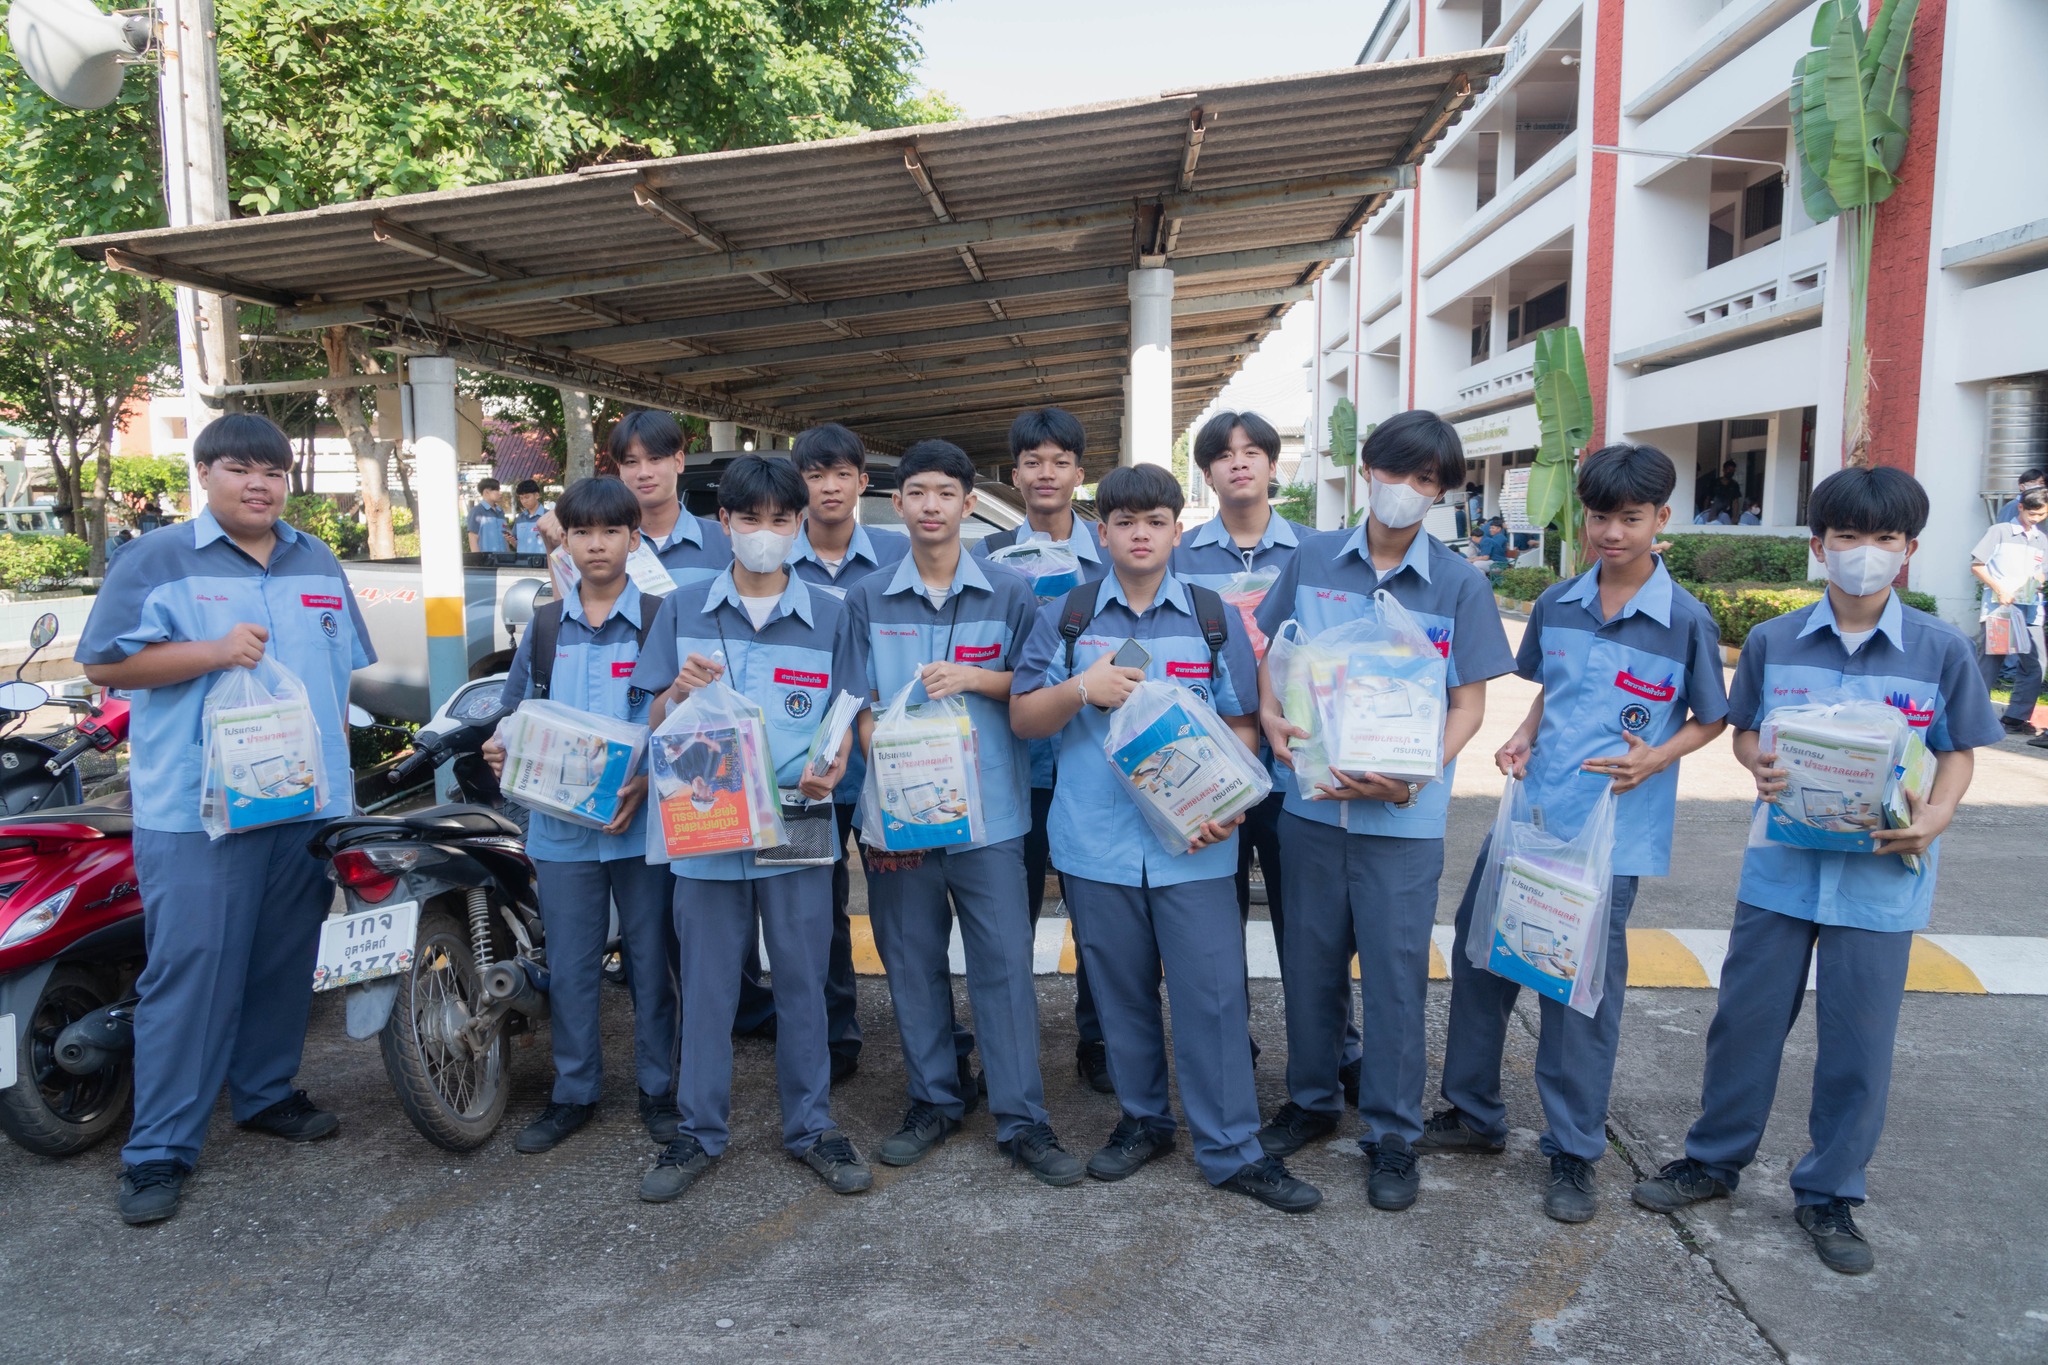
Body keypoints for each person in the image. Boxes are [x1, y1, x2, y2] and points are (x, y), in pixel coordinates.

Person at [1631, 466, 2002, 1275]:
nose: (1864, 553)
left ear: (1908, 550)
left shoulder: (1940, 649)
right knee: (1746, 1021)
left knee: (1858, 1041)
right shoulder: (1773, 641)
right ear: (1818, 546)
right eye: (1847, 538)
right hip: (1782, 869)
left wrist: (1935, 816)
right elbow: (1743, 732)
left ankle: (1831, 1191)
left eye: (1884, 539)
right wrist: (1756, 762)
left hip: (1881, 876)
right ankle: (1714, 1158)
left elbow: (1958, 751)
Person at [76, 413, 376, 1225]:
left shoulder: (317, 559)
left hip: (303, 803)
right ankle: (159, 1149)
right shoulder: (157, 558)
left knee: (285, 958)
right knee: (191, 970)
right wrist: (210, 653)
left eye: (274, 472)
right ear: (204, 472)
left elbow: (339, 682)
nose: (260, 484)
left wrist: (344, 794)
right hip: (196, 813)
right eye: (241, 468)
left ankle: (266, 1091)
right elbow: (105, 662)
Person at [1423, 444, 1729, 1223]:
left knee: (1577, 992)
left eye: (1632, 518)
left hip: (1608, 838)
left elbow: (1712, 719)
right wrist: (1525, 734)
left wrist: (1658, 754)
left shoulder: (1684, 620)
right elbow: (1551, 692)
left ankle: (1573, 1149)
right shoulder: (1559, 602)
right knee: (1481, 955)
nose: (1613, 532)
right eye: (1600, 516)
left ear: (1663, 519)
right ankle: (1473, 1112)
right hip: (1529, 819)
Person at [1011, 463, 1321, 1212]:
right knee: (1119, 996)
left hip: (1197, 844)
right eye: (1125, 522)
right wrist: (1081, 689)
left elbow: (1245, 722)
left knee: (1213, 997)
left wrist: (1231, 798)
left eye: (1156, 521)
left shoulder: (1212, 616)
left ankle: (1231, 1148)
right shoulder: (1070, 614)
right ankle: (1143, 1121)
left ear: (1178, 530)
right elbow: (1024, 717)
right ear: (1103, 531)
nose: (1141, 533)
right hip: (1096, 842)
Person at [1252, 409, 1516, 1213]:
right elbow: (1277, 655)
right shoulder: (1311, 559)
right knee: (1310, 962)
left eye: (1428, 480)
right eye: (1397, 472)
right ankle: (1311, 1097)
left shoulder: (1460, 583)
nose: (1408, 491)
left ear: (1443, 491)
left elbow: (1469, 705)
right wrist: (1269, 719)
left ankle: (1394, 1133)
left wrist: (1417, 770)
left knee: (1397, 978)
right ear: (1366, 468)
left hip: (1402, 820)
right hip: (1310, 809)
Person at [838, 439, 1084, 1184]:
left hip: (991, 816)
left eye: (947, 492)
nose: (933, 505)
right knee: (911, 960)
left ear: (969, 503)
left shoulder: (1012, 592)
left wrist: (975, 677)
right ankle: (935, 1099)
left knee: (1003, 966)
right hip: (902, 816)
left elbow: (1037, 689)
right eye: (917, 493)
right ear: (898, 504)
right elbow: (852, 703)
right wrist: (877, 736)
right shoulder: (866, 596)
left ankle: (1022, 1118)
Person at [629, 455, 868, 1202]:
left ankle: (812, 1125)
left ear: (800, 526)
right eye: (749, 519)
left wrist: (832, 767)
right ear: (723, 522)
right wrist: (674, 690)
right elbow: (654, 720)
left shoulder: (833, 612)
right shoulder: (683, 608)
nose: (765, 533)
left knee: (803, 978)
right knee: (705, 984)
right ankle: (697, 1131)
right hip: (705, 822)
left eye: (781, 520)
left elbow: (849, 714)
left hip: (796, 817)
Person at [482, 477, 680, 1155]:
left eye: (612, 532)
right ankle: (574, 1091)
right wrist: (500, 742)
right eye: (583, 532)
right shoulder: (543, 625)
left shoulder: (662, 620)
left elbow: (685, 721)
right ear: (564, 540)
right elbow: (515, 713)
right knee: (570, 963)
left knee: (653, 961)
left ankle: (659, 1089)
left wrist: (650, 778)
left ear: (635, 538)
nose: (597, 545)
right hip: (562, 832)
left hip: (641, 826)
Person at [1171, 409, 1359, 1099]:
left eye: (1254, 451)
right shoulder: (1180, 553)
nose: (1239, 463)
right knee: (1214, 918)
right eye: (1224, 454)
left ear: (1275, 466)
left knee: (1312, 922)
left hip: (1297, 767)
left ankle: (1338, 1046)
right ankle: (1231, 1041)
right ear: (1209, 471)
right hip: (1208, 772)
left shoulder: (1320, 551)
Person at [974, 407, 1115, 1093]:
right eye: (1033, 461)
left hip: (1095, 764)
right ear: (1015, 474)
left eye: (1060, 460)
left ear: (1079, 472)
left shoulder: (1113, 551)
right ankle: (1008, 1042)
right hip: (1011, 765)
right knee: (1009, 913)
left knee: (1099, 912)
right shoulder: (987, 559)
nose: (1046, 473)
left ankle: (1101, 1037)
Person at [785, 423, 911, 1083]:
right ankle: (836, 1035)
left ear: (864, 482)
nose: (829, 487)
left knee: (905, 906)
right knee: (819, 909)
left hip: (887, 765)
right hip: (809, 773)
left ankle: (931, 1025)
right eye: (814, 474)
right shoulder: (774, 557)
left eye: (842, 474)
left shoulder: (899, 551)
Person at [1970, 486, 2048, 737]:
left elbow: (2043, 571)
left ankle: (2015, 718)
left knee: (2035, 663)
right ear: (2021, 508)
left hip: (2031, 611)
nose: (2036, 519)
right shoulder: (1999, 532)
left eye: (2042, 515)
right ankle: (1972, 714)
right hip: (2001, 608)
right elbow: (1977, 566)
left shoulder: (2041, 539)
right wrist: (2000, 589)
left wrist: (2040, 578)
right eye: (2032, 514)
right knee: (1992, 660)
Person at [467, 477, 512, 552]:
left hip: (503, 560)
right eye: (496, 490)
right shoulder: (477, 511)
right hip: (486, 561)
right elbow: (473, 538)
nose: (500, 493)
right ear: (486, 492)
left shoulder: (500, 511)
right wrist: (478, 560)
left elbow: (505, 537)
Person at [511, 478, 550, 553]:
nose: (524, 501)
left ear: (537, 495)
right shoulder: (520, 518)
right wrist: (512, 541)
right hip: (522, 562)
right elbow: (517, 545)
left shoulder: (548, 516)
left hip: (542, 562)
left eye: (527, 497)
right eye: (521, 498)